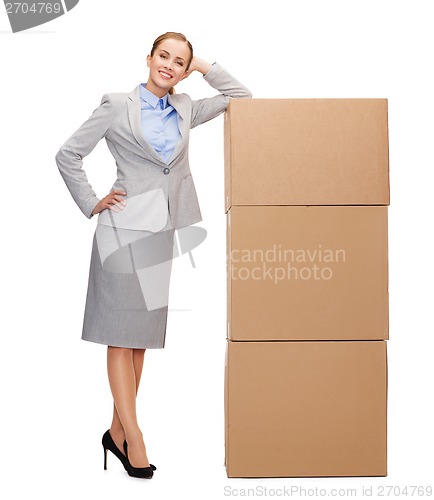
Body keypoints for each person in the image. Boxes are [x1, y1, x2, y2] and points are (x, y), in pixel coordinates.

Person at [55, 31, 252, 479]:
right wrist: (91, 201)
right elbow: (68, 154)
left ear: (185, 71)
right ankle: (136, 435)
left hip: (161, 230)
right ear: (148, 58)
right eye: (164, 55)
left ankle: (115, 431)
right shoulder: (115, 104)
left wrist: (201, 63)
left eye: (178, 61)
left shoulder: (186, 108)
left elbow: (240, 96)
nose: (169, 65)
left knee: (139, 339)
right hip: (121, 230)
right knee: (119, 336)